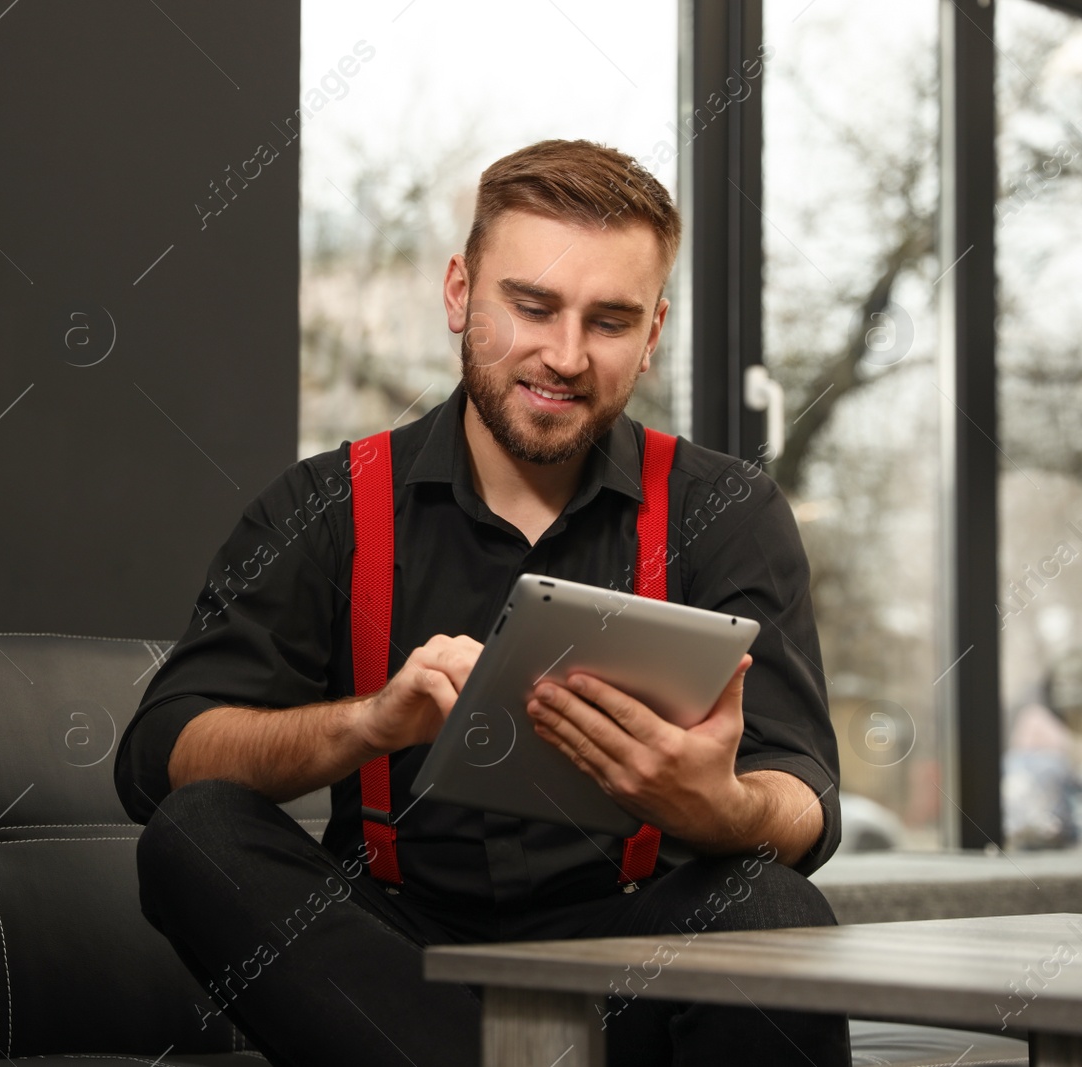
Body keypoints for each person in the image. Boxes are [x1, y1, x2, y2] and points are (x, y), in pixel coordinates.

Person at [114, 139, 847, 1067]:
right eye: (531, 305)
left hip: (630, 958)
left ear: (653, 332)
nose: (565, 354)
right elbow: (155, 762)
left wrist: (723, 806)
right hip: (382, 965)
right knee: (197, 836)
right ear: (461, 292)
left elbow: (804, 795)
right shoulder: (327, 506)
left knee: (773, 901)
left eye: (610, 321)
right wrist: (372, 722)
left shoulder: (727, 511)